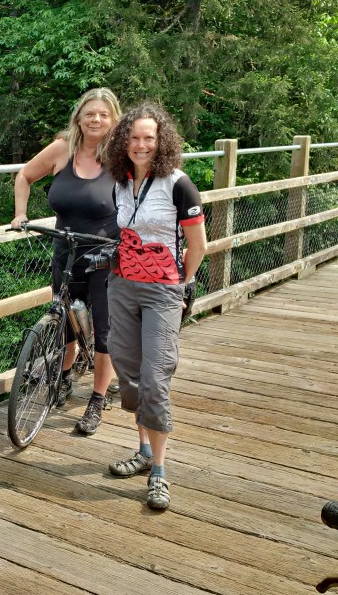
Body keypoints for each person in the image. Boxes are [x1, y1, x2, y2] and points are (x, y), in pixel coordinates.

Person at [105, 102, 207, 510]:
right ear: (124, 142)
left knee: (156, 374)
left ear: (161, 140)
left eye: (149, 138)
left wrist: (181, 283)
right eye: (134, 137)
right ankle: (143, 450)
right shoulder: (120, 182)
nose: (141, 144)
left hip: (163, 290)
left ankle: (160, 471)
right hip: (123, 285)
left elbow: (197, 244)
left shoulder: (178, 184)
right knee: (128, 369)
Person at [11, 88, 121, 435]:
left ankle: (97, 400)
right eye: (90, 113)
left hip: (105, 255)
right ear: (79, 117)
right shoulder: (62, 150)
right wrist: (21, 214)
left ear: (113, 119)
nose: (96, 120)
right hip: (64, 249)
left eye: (104, 114)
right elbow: (24, 176)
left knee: (104, 333)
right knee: (65, 321)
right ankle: (63, 375)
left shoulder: (120, 158)